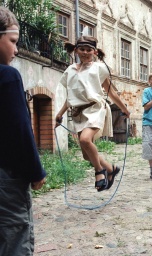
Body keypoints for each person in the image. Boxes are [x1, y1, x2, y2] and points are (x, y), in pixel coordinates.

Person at [55, 36, 130, 192]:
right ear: (76, 50)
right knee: (86, 155)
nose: (85, 52)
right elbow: (70, 97)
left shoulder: (99, 68)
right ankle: (110, 168)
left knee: (85, 139)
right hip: (78, 113)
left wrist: (124, 108)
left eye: (89, 50)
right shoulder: (70, 70)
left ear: (94, 52)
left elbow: (111, 92)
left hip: (95, 109)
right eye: (82, 49)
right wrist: (60, 114)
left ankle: (99, 172)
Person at [0, 6, 46, 256]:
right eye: (13, 41)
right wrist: (35, 171)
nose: (16, 50)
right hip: (7, 179)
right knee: (15, 237)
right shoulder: (8, 76)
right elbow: (20, 130)